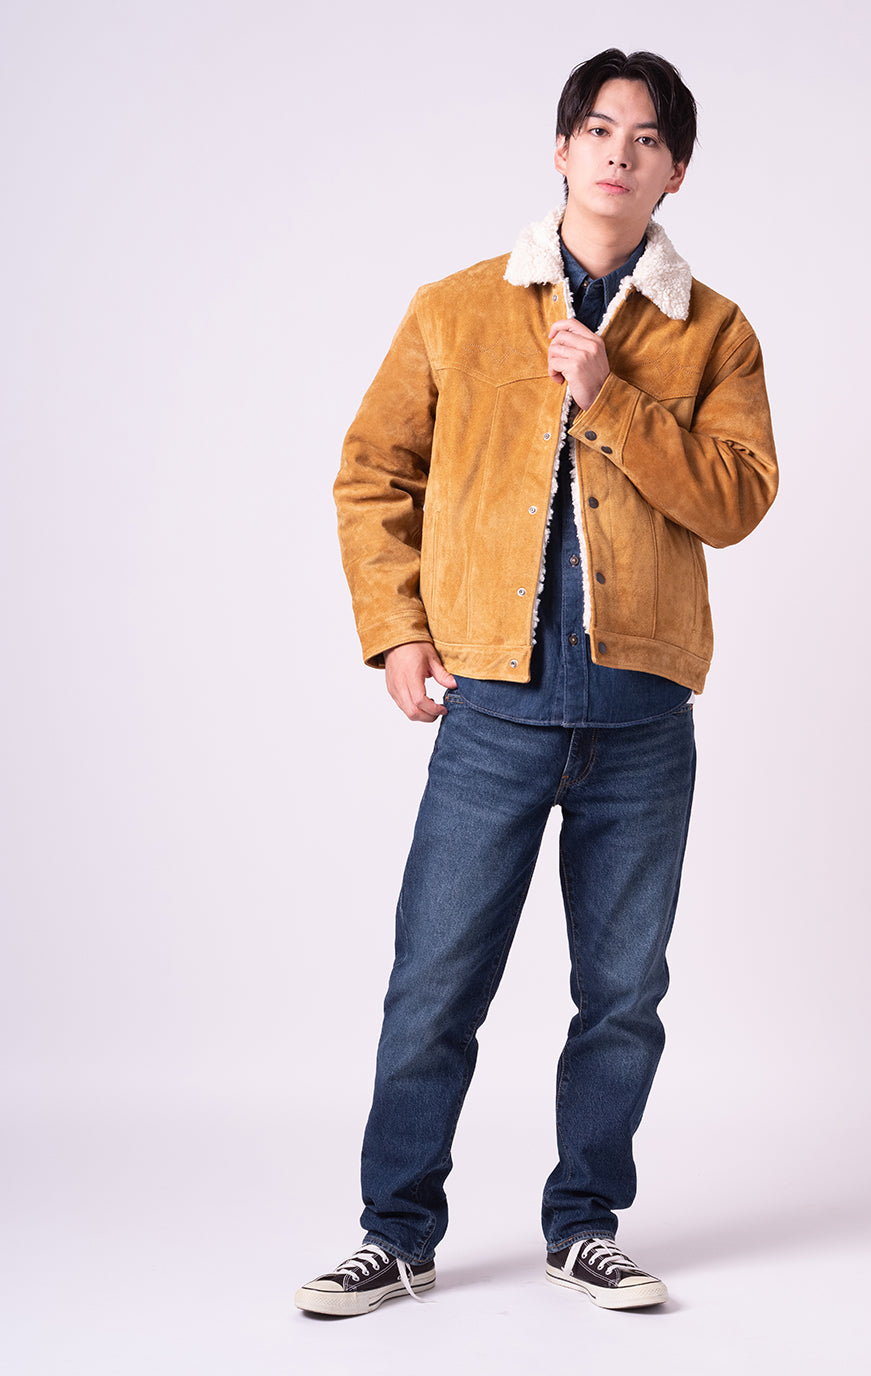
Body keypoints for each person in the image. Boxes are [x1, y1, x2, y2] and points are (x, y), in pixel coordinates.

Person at [295, 47, 777, 1318]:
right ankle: (396, 1231)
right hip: (494, 710)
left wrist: (611, 399)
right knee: (435, 980)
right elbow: (372, 473)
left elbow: (739, 498)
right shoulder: (455, 308)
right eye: (600, 129)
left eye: (648, 137)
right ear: (562, 150)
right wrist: (398, 628)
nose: (621, 151)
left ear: (676, 171)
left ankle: (585, 1224)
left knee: (623, 995)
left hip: (640, 715)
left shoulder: (714, 329)